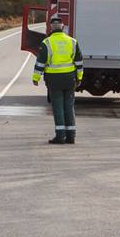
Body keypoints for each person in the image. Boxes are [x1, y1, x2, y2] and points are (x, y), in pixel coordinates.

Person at [35, 16, 80, 144]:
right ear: (63, 26)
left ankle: (60, 136)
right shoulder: (72, 42)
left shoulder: (47, 43)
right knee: (69, 107)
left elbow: (40, 63)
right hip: (69, 79)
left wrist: (36, 78)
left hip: (54, 80)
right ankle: (71, 136)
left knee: (58, 107)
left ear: (51, 27)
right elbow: (79, 62)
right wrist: (79, 77)